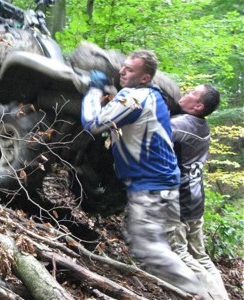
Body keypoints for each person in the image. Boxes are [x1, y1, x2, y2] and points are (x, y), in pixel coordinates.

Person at [81, 49, 209, 299]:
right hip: (164, 184)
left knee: (150, 249)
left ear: (144, 77)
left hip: (152, 187)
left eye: (130, 69)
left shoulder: (134, 98)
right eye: (123, 66)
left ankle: (199, 295)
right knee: (154, 245)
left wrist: (94, 91)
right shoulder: (152, 97)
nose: (122, 71)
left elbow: (93, 123)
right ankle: (187, 293)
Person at [168, 84, 230, 299]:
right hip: (196, 200)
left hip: (180, 202)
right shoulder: (202, 125)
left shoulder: (182, 124)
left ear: (198, 106)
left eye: (192, 93)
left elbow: (150, 131)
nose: (185, 93)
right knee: (201, 257)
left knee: (180, 253)